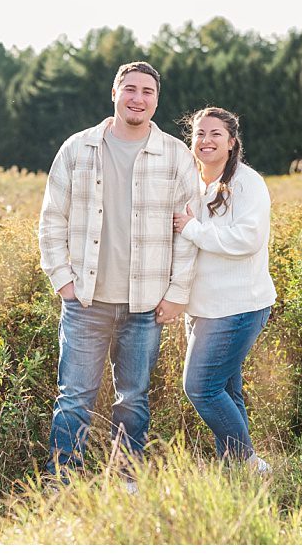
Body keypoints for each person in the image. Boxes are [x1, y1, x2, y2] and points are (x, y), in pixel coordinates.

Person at [38, 61, 200, 488]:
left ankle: (126, 482)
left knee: (133, 399)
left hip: (145, 303)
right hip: (86, 300)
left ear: (156, 100)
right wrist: (62, 280)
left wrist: (177, 291)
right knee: (74, 399)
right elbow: (51, 219)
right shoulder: (77, 148)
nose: (138, 98)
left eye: (147, 91)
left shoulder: (175, 155)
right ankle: (62, 483)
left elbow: (190, 230)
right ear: (114, 93)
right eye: (130, 89)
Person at [171, 106, 277, 473]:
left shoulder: (248, 184)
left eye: (216, 134)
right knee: (226, 391)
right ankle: (233, 470)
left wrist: (192, 229)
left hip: (237, 306)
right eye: (200, 133)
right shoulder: (190, 183)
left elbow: (248, 239)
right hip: (200, 308)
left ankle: (249, 464)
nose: (206, 141)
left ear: (232, 142)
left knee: (200, 387)